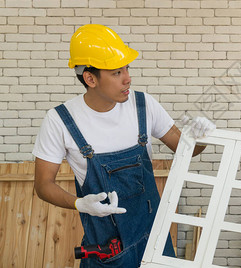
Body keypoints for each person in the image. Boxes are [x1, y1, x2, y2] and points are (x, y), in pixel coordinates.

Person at [33, 24, 216, 267]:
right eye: (117, 72)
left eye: (127, 68)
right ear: (90, 78)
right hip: (108, 252)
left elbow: (187, 150)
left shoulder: (143, 105)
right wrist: (79, 203)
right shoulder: (61, 120)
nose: (128, 78)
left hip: (154, 243)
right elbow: (43, 185)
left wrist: (199, 137)